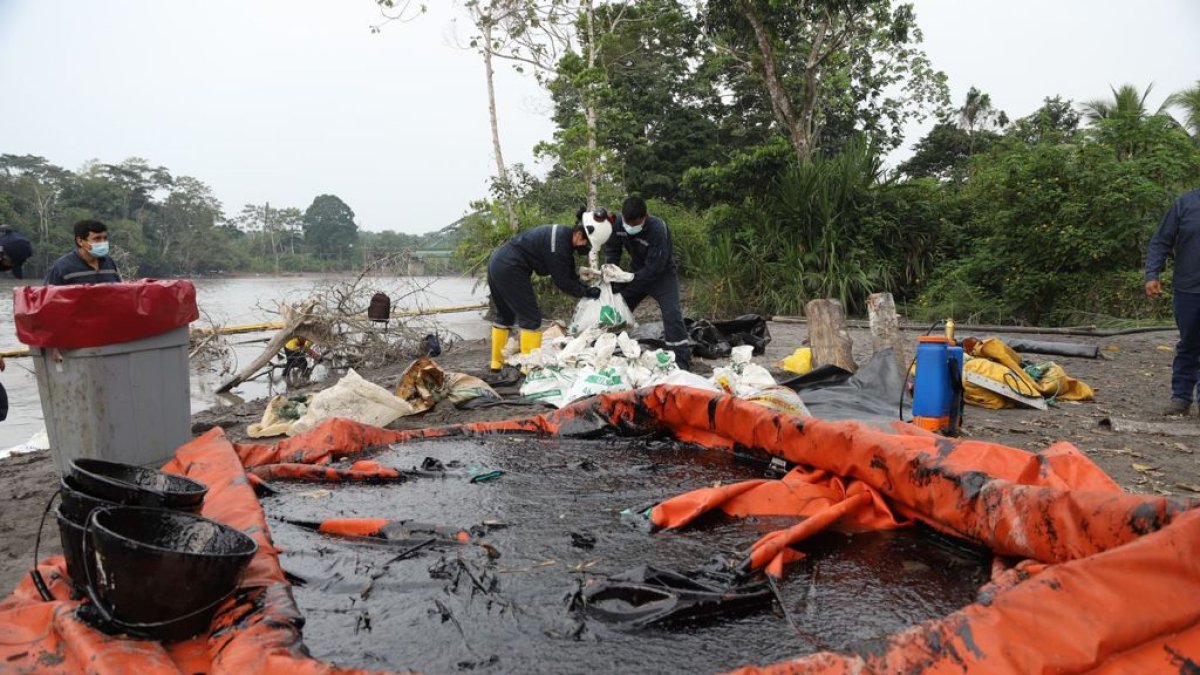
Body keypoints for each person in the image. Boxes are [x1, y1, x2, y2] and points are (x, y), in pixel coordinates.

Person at [487, 212, 612, 371]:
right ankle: (530, 367)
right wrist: (586, 291)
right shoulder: (559, 245)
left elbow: (567, 268)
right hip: (511, 267)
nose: (585, 249)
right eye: (587, 245)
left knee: (505, 316)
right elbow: (563, 282)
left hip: (497, 262)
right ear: (580, 235)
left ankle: (496, 363)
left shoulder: (562, 235)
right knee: (531, 319)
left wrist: (580, 280)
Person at [604, 196, 691, 371]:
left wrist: (630, 279)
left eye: (635, 224)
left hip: (662, 276)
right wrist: (613, 274)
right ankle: (606, 353)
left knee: (672, 314)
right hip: (635, 272)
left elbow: (655, 268)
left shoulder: (658, 229)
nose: (631, 228)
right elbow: (613, 250)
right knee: (617, 309)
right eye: (628, 224)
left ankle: (682, 362)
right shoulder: (619, 225)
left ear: (646, 217)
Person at [1146, 187, 1200, 416]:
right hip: (1188, 288)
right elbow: (1161, 241)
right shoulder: (1184, 204)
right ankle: (1181, 397)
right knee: (1188, 343)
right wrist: (1152, 274)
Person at [45, 219, 121, 286]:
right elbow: (48, 297)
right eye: (97, 238)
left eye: (105, 238)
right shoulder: (62, 267)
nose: (103, 242)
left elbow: (117, 292)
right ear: (80, 241)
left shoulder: (109, 262)